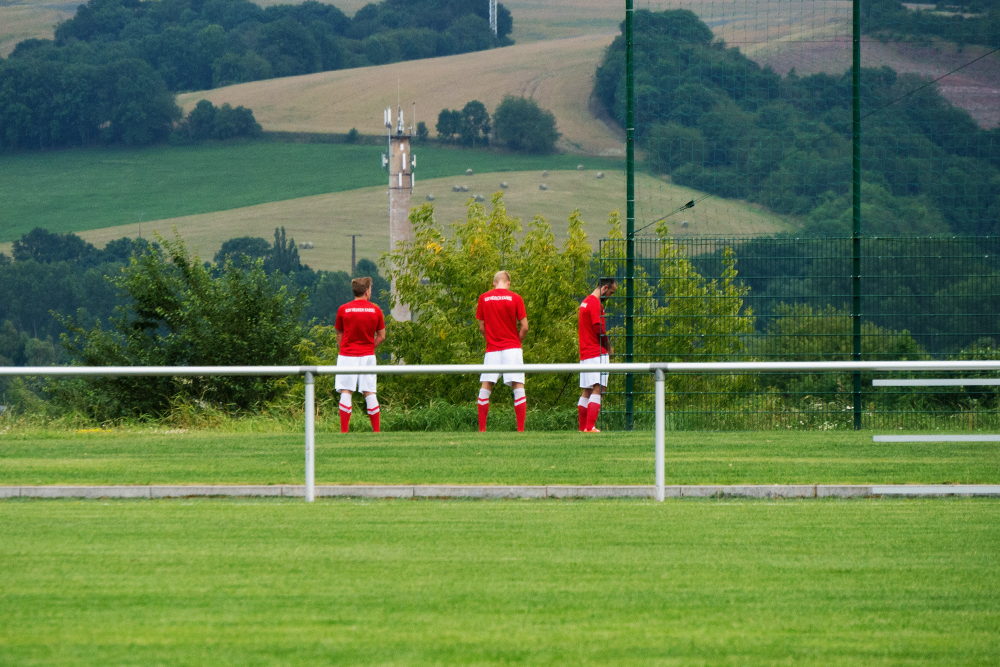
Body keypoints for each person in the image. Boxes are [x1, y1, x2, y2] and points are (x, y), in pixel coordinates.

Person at [476, 270, 529, 432]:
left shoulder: (484, 298)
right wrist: (516, 342)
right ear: (508, 283)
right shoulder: (516, 298)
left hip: (492, 349)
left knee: (486, 387)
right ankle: (520, 430)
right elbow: (525, 327)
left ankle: (482, 430)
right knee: (518, 386)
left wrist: (490, 340)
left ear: (494, 283)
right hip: (512, 348)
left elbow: (481, 326)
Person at [334, 277, 386, 433]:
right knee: (369, 391)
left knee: (346, 391)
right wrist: (369, 347)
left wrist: (344, 348)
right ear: (367, 290)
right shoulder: (376, 310)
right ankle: (376, 431)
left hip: (347, 355)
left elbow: (338, 334)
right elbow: (382, 336)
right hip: (368, 355)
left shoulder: (343, 309)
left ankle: (344, 431)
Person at [578, 277, 616, 432]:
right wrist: (609, 347)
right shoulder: (595, 304)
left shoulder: (585, 302)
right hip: (596, 352)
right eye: (611, 292)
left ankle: (582, 428)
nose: (611, 296)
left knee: (587, 389)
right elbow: (598, 329)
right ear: (605, 288)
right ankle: (590, 427)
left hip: (585, 352)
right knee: (599, 388)